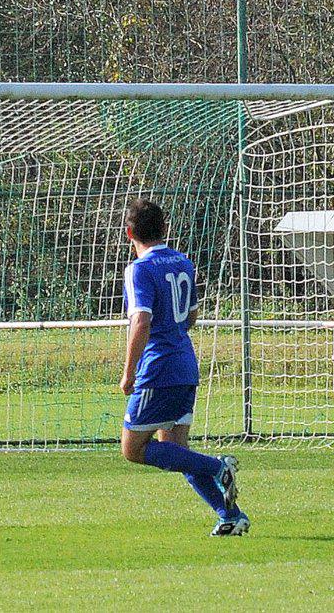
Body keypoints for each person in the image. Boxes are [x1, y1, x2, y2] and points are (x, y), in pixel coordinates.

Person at [119, 199, 249, 536]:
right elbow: (190, 316)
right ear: (165, 228)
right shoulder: (183, 262)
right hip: (185, 365)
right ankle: (230, 515)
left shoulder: (139, 269)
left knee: (133, 449)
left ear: (129, 233)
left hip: (158, 369)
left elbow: (141, 321)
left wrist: (129, 372)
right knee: (176, 451)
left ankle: (218, 467)